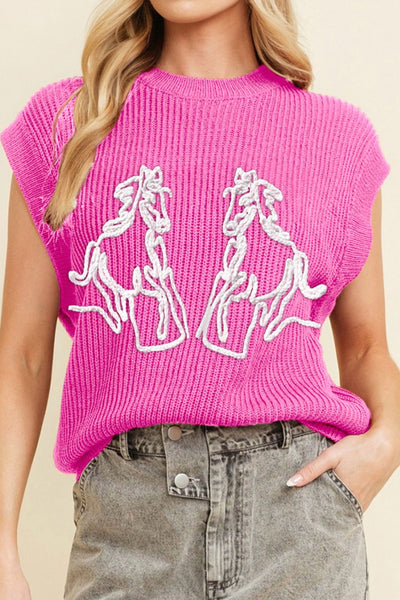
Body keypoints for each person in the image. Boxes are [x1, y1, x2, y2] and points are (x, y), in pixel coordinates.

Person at [0, 0, 399, 598]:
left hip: (296, 518)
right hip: (130, 527)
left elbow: (366, 348)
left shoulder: (338, 138)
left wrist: (387, 443)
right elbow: (22, 356)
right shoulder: (66, 125)